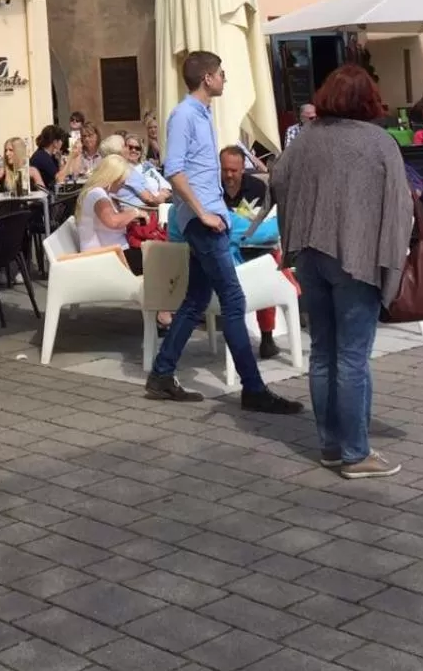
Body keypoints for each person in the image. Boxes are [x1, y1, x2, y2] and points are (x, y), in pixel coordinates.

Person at [272, 64, 412, 478]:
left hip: (311, 255)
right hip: (357, 259)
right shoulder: (379, 142)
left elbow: (277, 180)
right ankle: (355, 453)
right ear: (368, 97)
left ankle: (331, 446)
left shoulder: (306, 139)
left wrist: (299, 220)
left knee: (323, 353)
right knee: (352, 358)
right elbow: (400, 205)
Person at [145, 51, 301, 415]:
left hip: (209, 218)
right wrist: (204, 214)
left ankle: (162, 374)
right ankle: (253, 388)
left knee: (196, 300)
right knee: (233, 301)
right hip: (203, 222)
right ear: (207, 78)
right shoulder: (185, 115)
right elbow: (175, 169)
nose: (224, 79)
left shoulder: (202, 114)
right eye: (221, 74)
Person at [220, 146, 279, 359]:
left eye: (233, 170)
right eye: (224, 169)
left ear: (243, 169)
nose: (228, 175)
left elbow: (267, 219)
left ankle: (267, 336)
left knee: (269, 267)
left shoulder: (256, 187)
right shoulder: (213, 189)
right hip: (225, 252)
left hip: (254, 246)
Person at [76, 154, 143, 268]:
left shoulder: (98, 192)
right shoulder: (97, 194)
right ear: (113, 177)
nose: (124, 183)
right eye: (122, 179)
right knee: (157, 257)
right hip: (108, 257)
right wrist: (135, 212)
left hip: (112, 253)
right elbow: (113, 222)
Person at [117, 133, 171, 208]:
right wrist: (160, 198)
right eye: (130, 147)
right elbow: (148, 198)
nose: (133, 150)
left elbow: (164, 183)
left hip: (160, 203)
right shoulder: (125, 169)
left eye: (137, 148)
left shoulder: (146, 165)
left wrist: (163, 194)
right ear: (124, 148)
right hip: (142, 208)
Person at [29, 125, 68, 193]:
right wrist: (72, 157)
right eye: (61, 140)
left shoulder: (49, 155)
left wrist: (59, 161)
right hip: (45, 197)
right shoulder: (42, 157)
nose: (62, 143)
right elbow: (59, 179)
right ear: (55, 142)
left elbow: (62, 176)